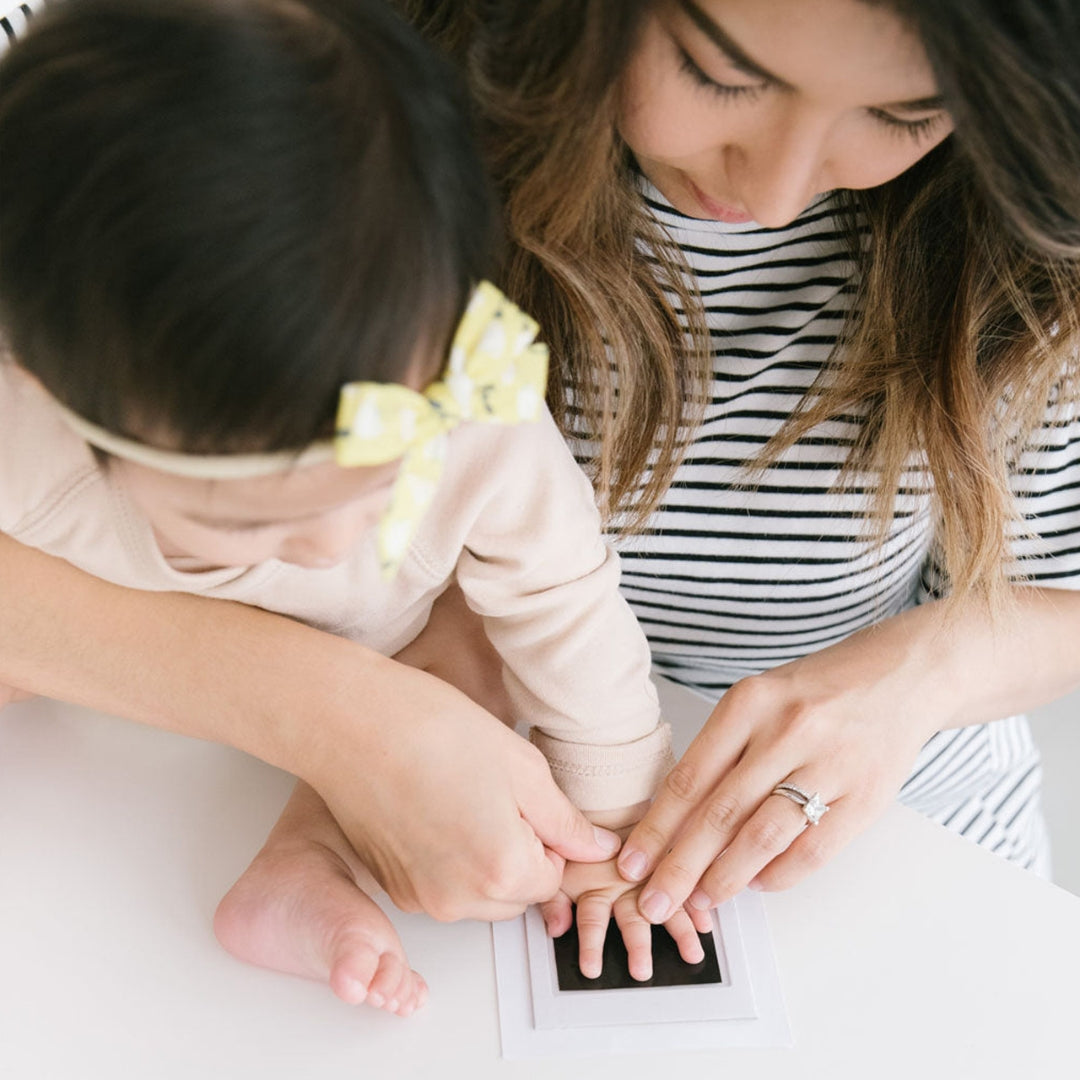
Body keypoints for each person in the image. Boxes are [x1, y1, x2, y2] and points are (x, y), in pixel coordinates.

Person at [4, 0, 1080, 1010]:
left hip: (897, 838)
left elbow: (562, 584)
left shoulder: (470, 414)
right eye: (722, 74)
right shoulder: (259, 131)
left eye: (906, 112)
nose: (782, 187)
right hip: (246, 793)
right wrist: (333, 717)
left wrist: (915, 678)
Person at [0, 0, 715, 1015]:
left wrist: (615, 825)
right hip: (124, 740)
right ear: (53, 392)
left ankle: (307, 866)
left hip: (407, 665)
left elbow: (565, 599)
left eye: (380, 482)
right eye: (255, 523)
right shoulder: (28, 431)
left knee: (488, 668)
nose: (340, 541)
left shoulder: (470, 416)